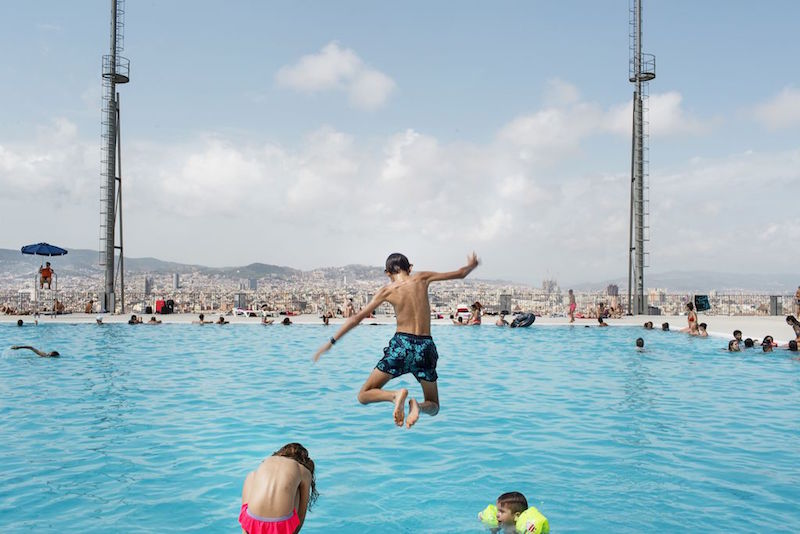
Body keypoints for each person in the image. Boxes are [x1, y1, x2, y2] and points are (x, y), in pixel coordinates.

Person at [313, 252, 479, 428]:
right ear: (410, 268)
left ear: (387, 273)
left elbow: (356, 318)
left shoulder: (387, 290)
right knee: (434, 405)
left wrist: (330, 343)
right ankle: (418, 407)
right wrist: (471, 265)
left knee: (364, 395)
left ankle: (394, 396)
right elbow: (461, 273)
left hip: (402, 345)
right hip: (426, 346)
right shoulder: (422, 278)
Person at [239, 442, 318, 534]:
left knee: (252, 476)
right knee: (296, 490)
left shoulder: (268, 461)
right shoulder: (303, 470)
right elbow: (301, 514)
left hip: (252, 521)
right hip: (282, 525)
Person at [477, 491, 549, 534]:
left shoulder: (516, 530)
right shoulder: (503, 523)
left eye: (502, 512)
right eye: (498, 510)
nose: (497, 514)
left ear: (516, 515)